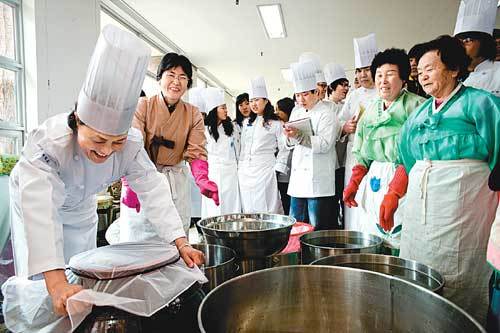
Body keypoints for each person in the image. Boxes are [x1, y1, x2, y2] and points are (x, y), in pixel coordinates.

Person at [3, 25, 204, 320]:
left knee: (83, 278)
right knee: (47, 289)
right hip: (36, 210)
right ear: (76, 122)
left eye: (116, 142)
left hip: (81, 207)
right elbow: (41, 212)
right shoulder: (48, 145)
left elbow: (153, 188)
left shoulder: (131, 144)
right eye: (97, 140)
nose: (107, 151)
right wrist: (56, 284)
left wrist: (180, 240)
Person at [396, 35, 500, 323]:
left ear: (454, 69)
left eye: (430, 68)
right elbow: (405, 153)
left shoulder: (481, 103)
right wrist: (397, 190)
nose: (422, 75)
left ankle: (461, 322)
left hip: (464, 201)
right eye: (420, 70)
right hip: (423, 202)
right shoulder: (418, 114)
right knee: (421, 259)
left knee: (457, 266)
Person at [119, 52, 219, 241]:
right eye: (171, 75)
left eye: (183, 77)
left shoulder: (193, 114)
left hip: (176, 183)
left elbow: (196, 150)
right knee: (139, 242)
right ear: (159, 78)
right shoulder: (143, 105)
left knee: (174, 242)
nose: (176, 82)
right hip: (143, 179)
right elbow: (132, 145)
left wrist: (202, 178)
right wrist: (129, 183)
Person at [344, 48, 424, 254]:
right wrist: (354, 182)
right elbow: (361, 150)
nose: (383, 81)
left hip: (404, 181)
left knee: (401, 239)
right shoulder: (370, 110)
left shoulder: (417, 107)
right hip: (374, 183)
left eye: (390, 74)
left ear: (404, 78)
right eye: (379, 75)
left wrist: (395, 192)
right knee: (374, 237)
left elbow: (415, 155)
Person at [284, 61, 339, 230]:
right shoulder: (296, 111)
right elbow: (290, 145)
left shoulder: (327, 113)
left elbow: (325, 144)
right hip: (298, 181)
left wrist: (300, 136)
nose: (301, 99)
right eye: (298, 95)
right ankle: (296, 256)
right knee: (296, 227)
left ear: (316, 92)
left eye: (305, 94)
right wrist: (288, 136)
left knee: (316, 228)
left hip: (318, 182)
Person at [339, 33, 378, 231]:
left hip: (376, 156)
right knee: (353, 200)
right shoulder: (353, 96)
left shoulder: (384, 92)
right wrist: (345, 128)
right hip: (354, 155)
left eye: (367, 70)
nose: (362, 75)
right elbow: (340, 123)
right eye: (359, 70)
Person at [238, 76, 285, 214]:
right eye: (251, 101)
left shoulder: (276, 123)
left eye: (256, 100)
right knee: (248, 207)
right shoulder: (247, 123)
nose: (253, 104)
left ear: (265, 100)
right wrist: (240, 167)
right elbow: (243, 148)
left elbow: (284, 148)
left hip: (265, 170)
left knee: (267, 206)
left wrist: (277, 168)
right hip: (246, 172)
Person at [201, 87, 241, 218]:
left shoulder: (231, 127)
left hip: (231, 172)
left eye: (226, 107)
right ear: (214, 110)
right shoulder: (204, 130)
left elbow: (237, 149)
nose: (226, 110)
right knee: (214, 207)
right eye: (222, 107)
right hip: (213, 172)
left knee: (231, 205)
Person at [454, 0, 499, 97]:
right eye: (459, 42)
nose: (461, 46)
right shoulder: (455, 76)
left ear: (484, 43)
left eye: (467, 40)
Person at [324, 63, 350, 228]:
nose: (346, 88)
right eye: (343, 84)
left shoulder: (347, 105)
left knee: (344, 198)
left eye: (348, 85)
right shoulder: (326, 107)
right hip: (331, 163)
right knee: (332, 201)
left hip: (345, 161)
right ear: (332, 87)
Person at [275, 97, 295, 214]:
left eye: (279, 110)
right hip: (282, 174)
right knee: (285, 202)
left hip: (293, 171)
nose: (276, 113)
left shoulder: (294, 125)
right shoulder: (278, 125)